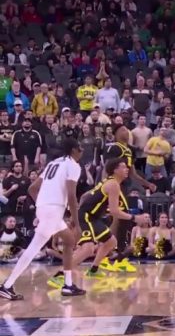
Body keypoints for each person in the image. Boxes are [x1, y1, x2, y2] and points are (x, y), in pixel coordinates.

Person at [1, 139, 85, 300]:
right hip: (54, 210)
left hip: (45, 209)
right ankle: (6, 285)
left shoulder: (54, 163)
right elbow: (72, 196)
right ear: (74, 149)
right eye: (80, 148)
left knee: (68, 241)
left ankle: (68, 284)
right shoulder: (73, 165)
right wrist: (76, 222)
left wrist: (42, 206)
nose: (82, 151)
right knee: (34, 248)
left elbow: (32, 188)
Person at [47, 158, 147, 289]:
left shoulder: (108, 182)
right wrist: (135, 218)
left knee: (111, 242)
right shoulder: (113, 185)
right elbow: (114, 211)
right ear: (115, 170)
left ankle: (93, 270)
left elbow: (85, 196)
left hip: (92, 217)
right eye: (123, 167)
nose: (127, 169)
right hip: (86, 216)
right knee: (87, 248)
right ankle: (60, 276)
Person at [101, 126, 155, 273]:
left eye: (127, 129)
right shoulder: (114, 147)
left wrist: (147, 183)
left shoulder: (129, 150)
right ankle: (107, 253)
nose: (126, 131)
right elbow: (106, 168)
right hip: (113, 185)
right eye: (123, 129)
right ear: (117, 132)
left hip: (125, 187)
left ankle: (119, 255)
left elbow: (132, 173)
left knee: (122, 219)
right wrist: (103, 186)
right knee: (116, 217)